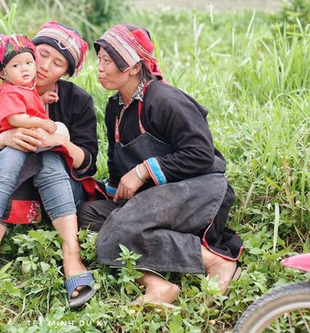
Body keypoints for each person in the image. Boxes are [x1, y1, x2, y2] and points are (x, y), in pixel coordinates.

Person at [78, 24, 244, 308]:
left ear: (131, 67)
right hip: (152, 198)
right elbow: (120, 167)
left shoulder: (164, 100)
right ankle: (158, 285)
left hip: (198, 192)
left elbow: (201, 155)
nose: (100, 68)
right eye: (100, 60)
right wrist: (111, 188)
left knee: (120, 226)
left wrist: (142, 171)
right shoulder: (114, 107)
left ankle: (215, 262)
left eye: (108, 61)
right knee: (89, 216)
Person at [0, 22, 102, 309]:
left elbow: (89, 162)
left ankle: (72, 254)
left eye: (57, 63)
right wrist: (4, 138)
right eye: (41, 54)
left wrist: (59, 140)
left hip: (66, 191)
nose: (42, 66)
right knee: (9, 152)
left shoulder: (77, 100)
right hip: (15, 186)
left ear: (65, 73)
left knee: (49, 158)